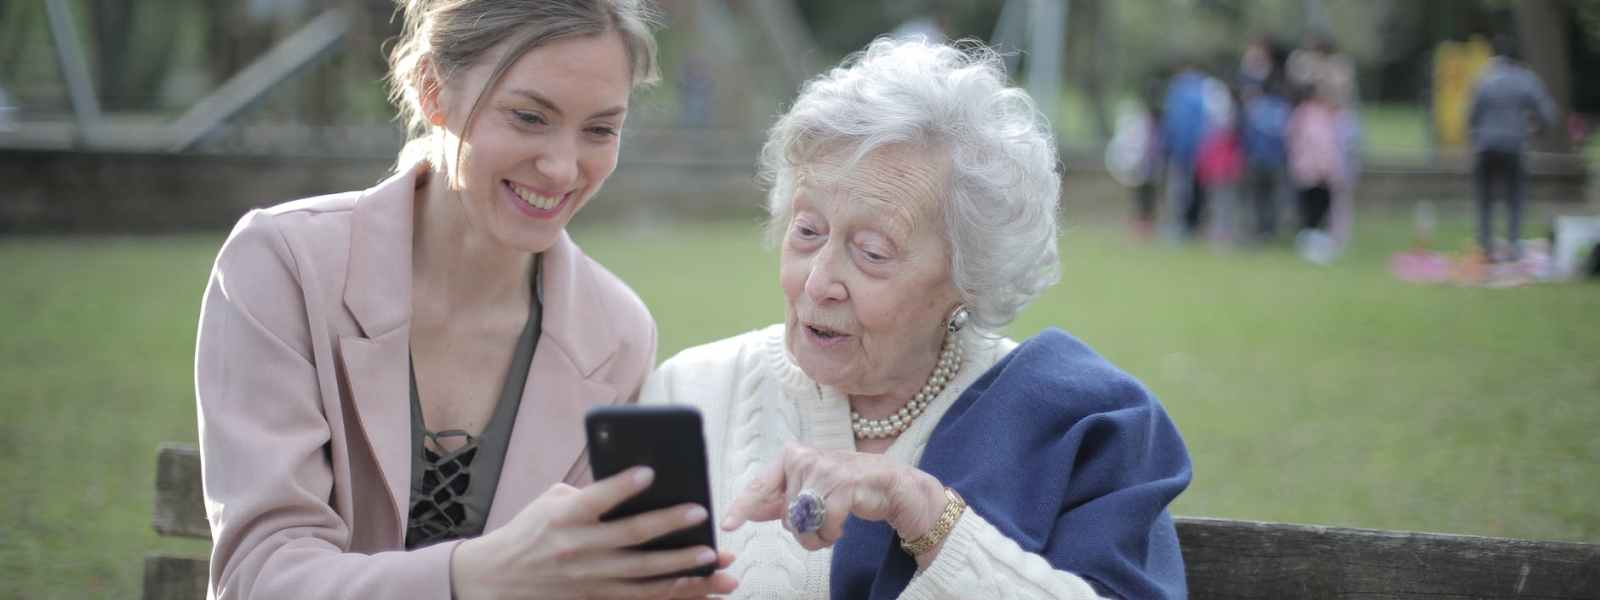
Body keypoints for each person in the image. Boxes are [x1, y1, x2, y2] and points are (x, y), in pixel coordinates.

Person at [193, 1, 737, 598]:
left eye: (600, 129)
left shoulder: (616, 333)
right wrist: (475, 574)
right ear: (433, 90)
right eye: (529, 117)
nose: (561, 168)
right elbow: (258, 577)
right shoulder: (284, 264)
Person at [641, 38, 1192, 599]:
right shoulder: (688, 393)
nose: (817, 282)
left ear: (970, 278)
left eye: (873, 252)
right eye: (807, 231)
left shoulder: (1077, 423)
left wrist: (926, 514)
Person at [1468, 34, 1558, 263]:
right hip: (1514, 146)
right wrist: (1535, 131)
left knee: (1485, 199)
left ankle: (1486, 248)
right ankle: (1513, 247)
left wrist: (1480, 134)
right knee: (1515, 198)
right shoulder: (1525, 79)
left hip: (1485, 146)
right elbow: (1549, 115)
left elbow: (1471, 116)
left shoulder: (1483, 78)